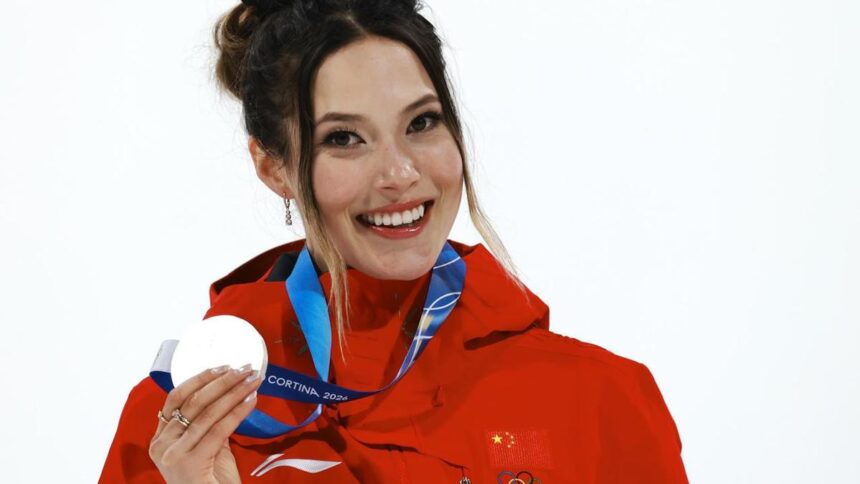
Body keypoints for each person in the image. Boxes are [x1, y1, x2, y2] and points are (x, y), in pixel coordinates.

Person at [99, 0, 689, 482]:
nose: (400, 173)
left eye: (421, 123)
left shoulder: (598, 401)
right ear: (273, 165)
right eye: (344, 138)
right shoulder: (184, 428)